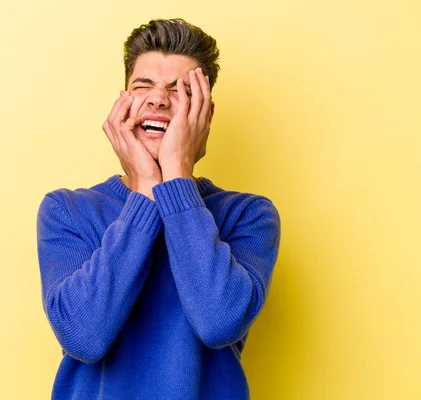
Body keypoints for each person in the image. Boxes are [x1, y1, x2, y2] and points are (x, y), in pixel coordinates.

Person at [36, 18, 281, 400]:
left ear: (206, 115)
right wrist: (147, 192)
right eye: (143, 86)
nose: (158, 99)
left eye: (181, 90)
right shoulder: (68, 210)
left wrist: (176, 179)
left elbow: (218, 322)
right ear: (123, 103)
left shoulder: (247, 215)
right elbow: (84, 336)